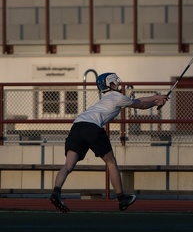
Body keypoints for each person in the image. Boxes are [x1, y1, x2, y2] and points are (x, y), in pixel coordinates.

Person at [50, 72, 168, 213]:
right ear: (110, 84)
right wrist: (156, 101)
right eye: (114, 82)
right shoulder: (117, 97)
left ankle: (56, 193)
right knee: (111, 161)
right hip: (92, 127)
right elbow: (140, 104)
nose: (117, 83)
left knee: (68, 164)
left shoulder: (104, 99)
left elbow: (139, 100)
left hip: (77, 126)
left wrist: (157, 98)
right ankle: (121, 198)